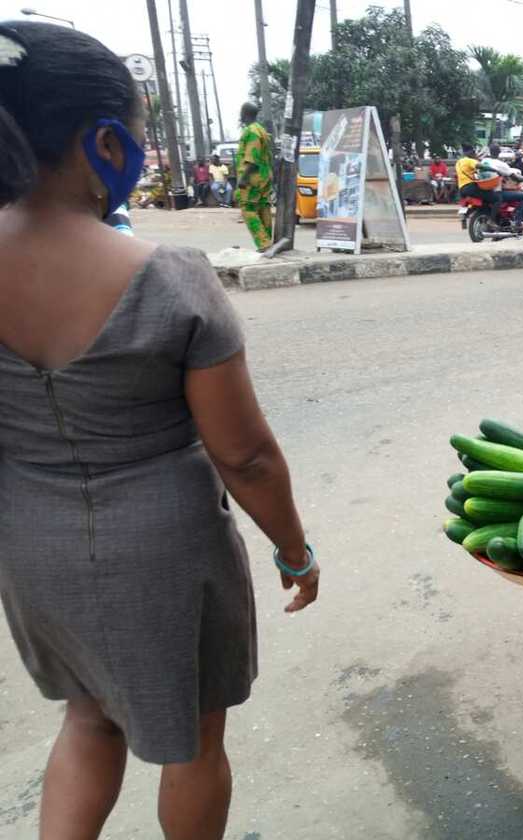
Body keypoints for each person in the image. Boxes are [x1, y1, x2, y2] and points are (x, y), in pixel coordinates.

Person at [0, 22, 318, 840]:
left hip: (30, 541)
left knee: (87, 719)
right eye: (139, 136)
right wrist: (294, 552)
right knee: (193, 745)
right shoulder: (168, 279)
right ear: (105, 141)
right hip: (164, 549)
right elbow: (244, 456)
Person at [235, 101, 274, 251]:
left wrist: (243, 179)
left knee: (248, 209)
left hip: (252, 178)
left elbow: (252, 159)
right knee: (263, 208)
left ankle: (264, 244)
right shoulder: (261, 130)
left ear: (244, 114)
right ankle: (268, 242)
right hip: (264, 176)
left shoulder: (251, 132)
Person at [481, 142, 523, 228]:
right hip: (496, 192)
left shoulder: (484, 161)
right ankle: (518, 222)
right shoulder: (501, 164)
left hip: (485, 191)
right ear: (499, 152)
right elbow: (517, 178)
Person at [456, 143, 500, 220]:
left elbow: (475, 172)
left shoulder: (459, 162)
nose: (474, 154)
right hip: (471, 187)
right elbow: (481, 166)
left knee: (485, 201)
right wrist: (495, 170)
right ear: (470, 152)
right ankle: (492, 221)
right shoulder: (469, 161)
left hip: (462, 189)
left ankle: (471, 212)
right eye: (473, 152)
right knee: (497, 199)